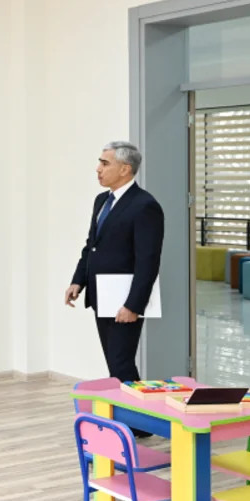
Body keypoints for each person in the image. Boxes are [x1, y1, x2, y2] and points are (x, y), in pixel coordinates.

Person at [65, 141, 164, 397]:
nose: (98, 168)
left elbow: (148, 261)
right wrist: (78, 281)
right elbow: (91, 246)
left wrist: (133, 305)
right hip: (102, 296)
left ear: (124, 169)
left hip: (124, 301)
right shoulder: (101, 201)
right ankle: (128, 412)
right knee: (115, 363)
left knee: (121, 363)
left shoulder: (145, 205)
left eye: (104, 163)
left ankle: (139, 414)